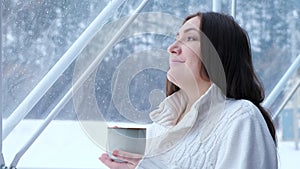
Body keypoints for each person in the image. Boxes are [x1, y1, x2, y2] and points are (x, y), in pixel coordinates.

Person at [99, 12, 278, 169]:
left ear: (219, 53)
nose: (172, 48)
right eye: (176, 38)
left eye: (190, 38)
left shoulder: (241, 118)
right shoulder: (160, 125)